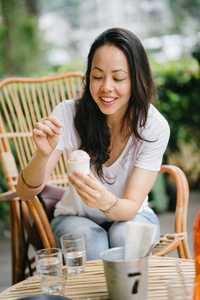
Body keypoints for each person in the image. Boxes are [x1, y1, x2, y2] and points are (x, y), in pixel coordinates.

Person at [16, 27, 170, 260]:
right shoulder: (68, 113)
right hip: (75, 218)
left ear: (137, 79)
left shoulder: (153, 126)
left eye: (118, 78)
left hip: (132, 215)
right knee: (93, 242)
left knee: (123, 237)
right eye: (97, 77)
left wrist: (105, 201)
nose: (106, 87)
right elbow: (24, 192)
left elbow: (130, 206)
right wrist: (42, 155)